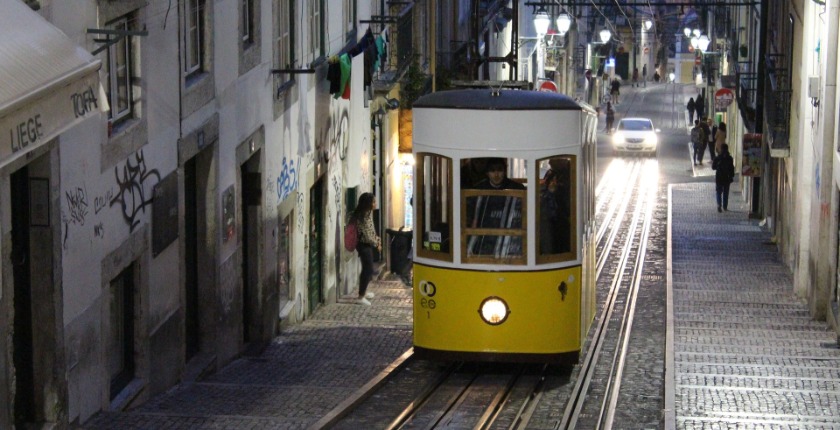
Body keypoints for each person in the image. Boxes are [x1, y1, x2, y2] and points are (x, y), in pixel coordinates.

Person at [467, 158, 525, 257]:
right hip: (486, 239)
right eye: (492, 170)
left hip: (510, 241)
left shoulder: (518, 188)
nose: (496, 174)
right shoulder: (478, 189)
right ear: (487, 173)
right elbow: (472, 216)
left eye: (499, 170)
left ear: (505, 170)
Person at [349, 192, 381, 305]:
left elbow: (371, 231)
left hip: (366, 244)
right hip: (363, 245)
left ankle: (364, 292)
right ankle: (361, 296)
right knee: (368, 269)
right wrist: (377, 243)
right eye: (373, 202)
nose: (375, 204)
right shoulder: (362, 217)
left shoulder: (367, 213)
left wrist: (377, 239)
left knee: (368, 269)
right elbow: (367, 235)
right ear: (368, 204)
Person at [539, 169, 570, 255]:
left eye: (555, 181)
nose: (554, 183)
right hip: (547, 224)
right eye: (552, 180)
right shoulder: (542, 192)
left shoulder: (562, 191)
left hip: (560, 225)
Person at [712, 143, 736, 212]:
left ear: (721, 149)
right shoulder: (730, 158)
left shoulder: (718, 158)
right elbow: (732, 168)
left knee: (718, 192)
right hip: (727, 177)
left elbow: (713, 167)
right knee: (726, 192)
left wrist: (718, 167)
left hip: (719, 177)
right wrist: (732, 176)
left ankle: (719, 204)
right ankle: (725, 206)